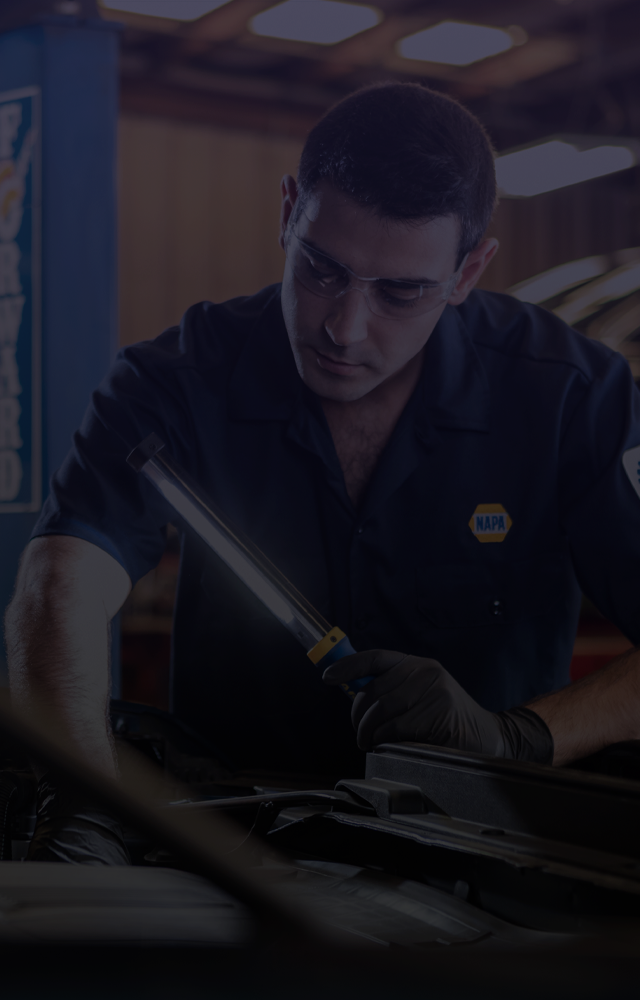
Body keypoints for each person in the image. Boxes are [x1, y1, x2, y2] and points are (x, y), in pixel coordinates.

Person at [5, 84, 640, 861]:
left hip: (486, 861)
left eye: (401, 291)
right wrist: (82, 797)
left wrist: (521, 739)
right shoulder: (177, 378)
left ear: (470, 270)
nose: (344, 327)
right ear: (287, 213)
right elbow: (61, 581)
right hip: (232, 855)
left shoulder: (573, 396)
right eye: (321, 268)